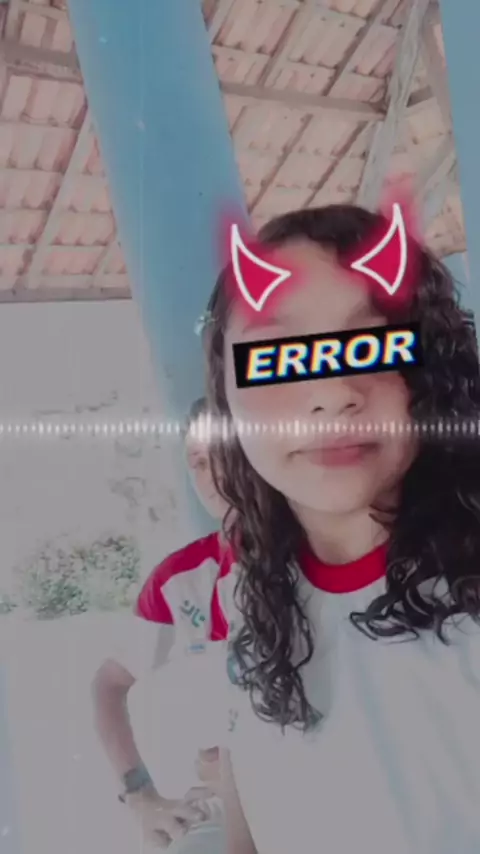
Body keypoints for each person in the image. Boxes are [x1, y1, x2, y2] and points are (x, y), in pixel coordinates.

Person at [199, 204, 480, 854]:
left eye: (374, 343)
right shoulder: (243, 592)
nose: (331, 390)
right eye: (273, 354)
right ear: (225, 394)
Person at [91, 397, 234, 849]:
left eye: (226, 454)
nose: (213, 476)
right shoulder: (179, 581)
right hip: (224, 807)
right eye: (198, 462)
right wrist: (140, 796)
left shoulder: (328, 558)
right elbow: (108, 685)